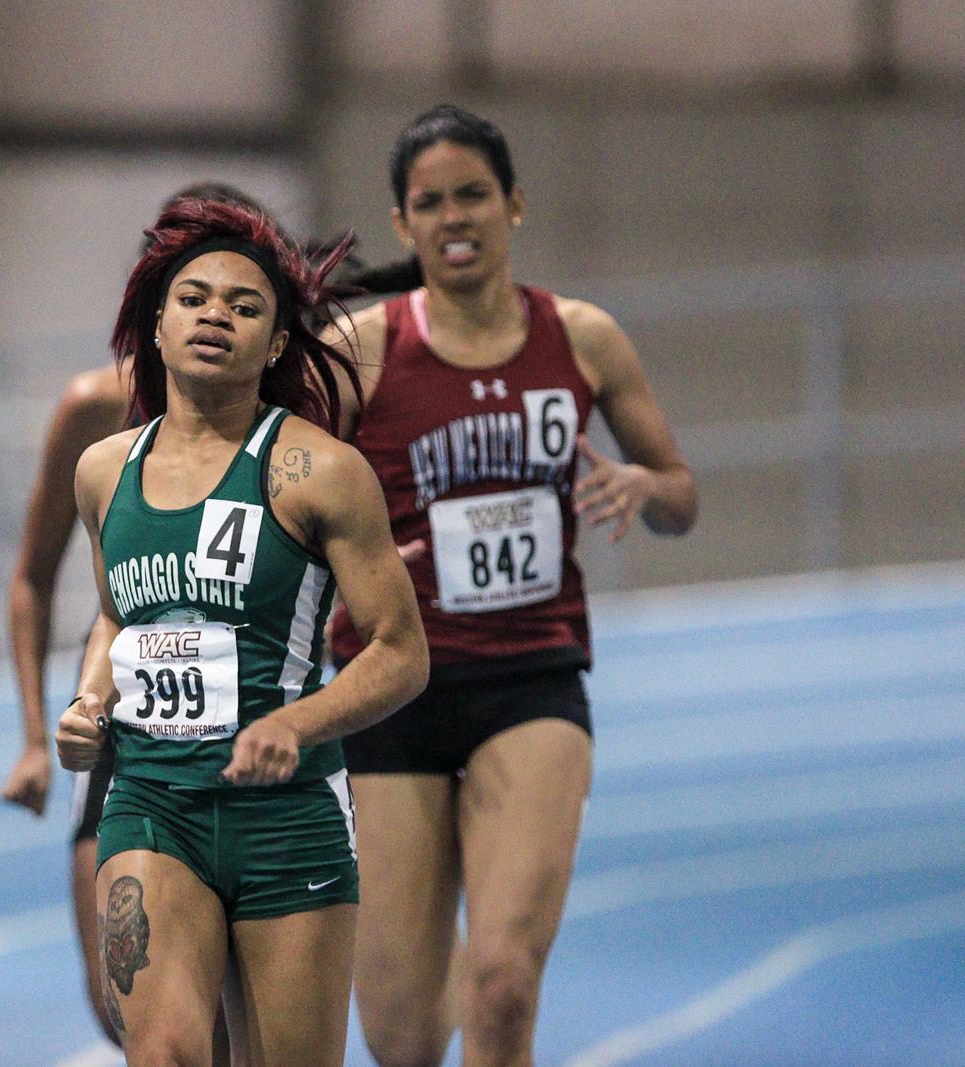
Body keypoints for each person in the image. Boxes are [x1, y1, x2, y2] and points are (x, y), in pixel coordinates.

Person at [330, 105, 699, 1067]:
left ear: (514, 205)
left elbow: (681, 495)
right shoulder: (363, 351)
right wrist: (345, 571)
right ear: (404, 224)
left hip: (529, 678)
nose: (455, 217)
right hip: (388, 687)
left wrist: (641, 485)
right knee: (401, 1038)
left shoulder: (583, 339)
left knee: (503, 983)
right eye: (430, 202)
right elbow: (284, 490)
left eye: (474, 195)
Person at [55, 197, 427, 1066]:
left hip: (287, 817)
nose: (215, 314)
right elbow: (118, 612)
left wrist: (296, 723)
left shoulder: (320, 473)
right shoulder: (104, 472)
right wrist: (88, 701)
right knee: (165, 1053)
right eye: (193, 298)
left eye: (245, 304)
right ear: (155, 325)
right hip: (152, 802)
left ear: (276, 344)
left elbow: (401, 652)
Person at [0, 183, 275, 1054]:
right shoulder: (92, 410)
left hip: (258, 717)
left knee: (240, 1021)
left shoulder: (291, 428)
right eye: (192, 288)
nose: (212, 313)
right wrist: (37, 738)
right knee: (123, 1002)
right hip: (128, 718)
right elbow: (30, 579)